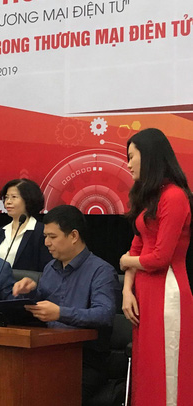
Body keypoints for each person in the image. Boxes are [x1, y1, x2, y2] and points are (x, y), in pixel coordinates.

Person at [13, 205, 120, 405]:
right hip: (48, 353)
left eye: (52, 237)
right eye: (45, 237)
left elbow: (104, 314)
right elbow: (44, 306)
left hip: (84, 361)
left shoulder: (101, 271)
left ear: (73, 236)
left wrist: (60, 313)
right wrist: (30, 293)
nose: (46, 243)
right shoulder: (50, 268)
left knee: (51, 396)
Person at [119, 128, 193, 406]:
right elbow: (137, 245)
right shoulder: (149, 197)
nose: (128, 164)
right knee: (147, 369)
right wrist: (127, 290)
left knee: (166, 369)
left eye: (131, 157)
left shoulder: (174, 196)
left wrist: (125, 262)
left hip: (167, 293)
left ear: (148, 156)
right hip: (144, 293)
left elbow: (160, 257)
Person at [0, 178, 52, 271]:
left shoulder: (40, 231)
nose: (8, 201)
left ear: (28, 200)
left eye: (14, 197)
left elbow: (47, 267)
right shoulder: (1, 231)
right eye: (6, 197)